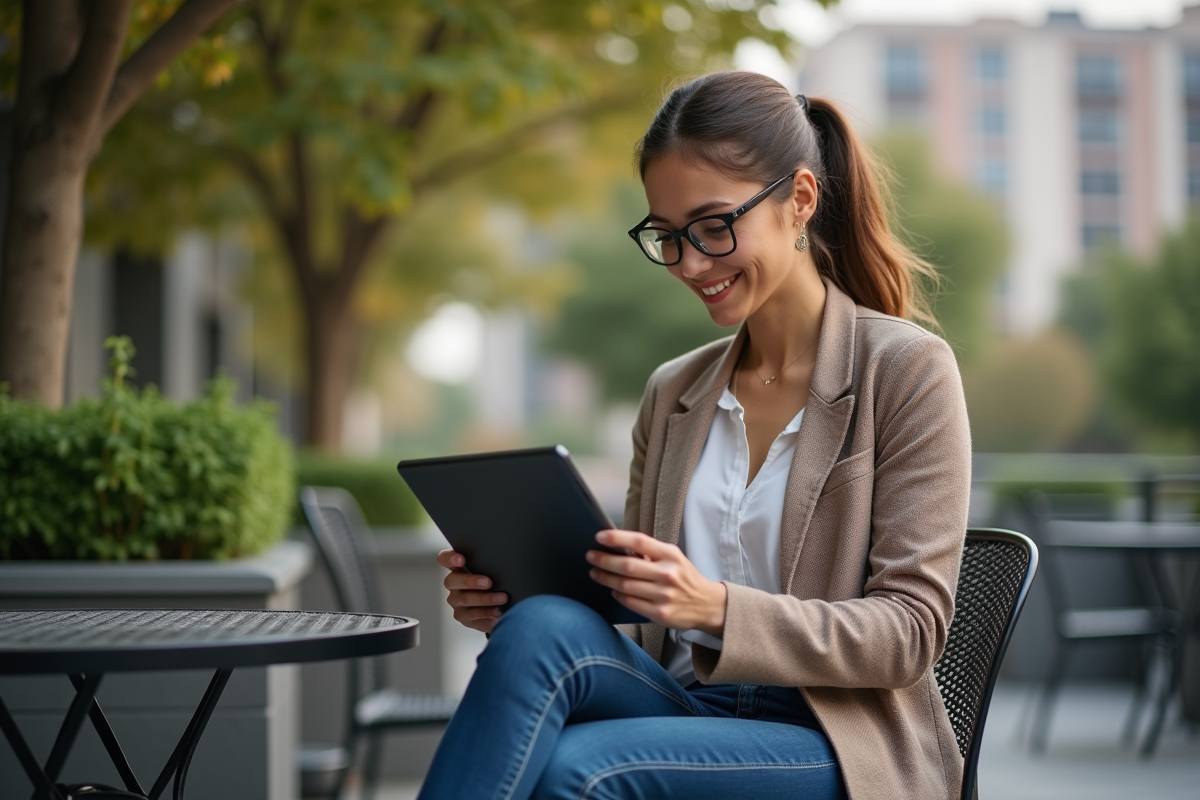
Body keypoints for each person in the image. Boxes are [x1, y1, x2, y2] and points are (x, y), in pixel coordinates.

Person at [420, 71, 971, 800]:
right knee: (540, 627)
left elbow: (910, 632)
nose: (691, 263)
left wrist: (713, 606)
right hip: (683, 703)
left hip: (835, 739)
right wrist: (508, 597)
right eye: (668, 236)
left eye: (715, 226)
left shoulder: (904, 370)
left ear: (799, 200)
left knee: (577, 772)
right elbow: (635, 615)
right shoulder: (673, 392)